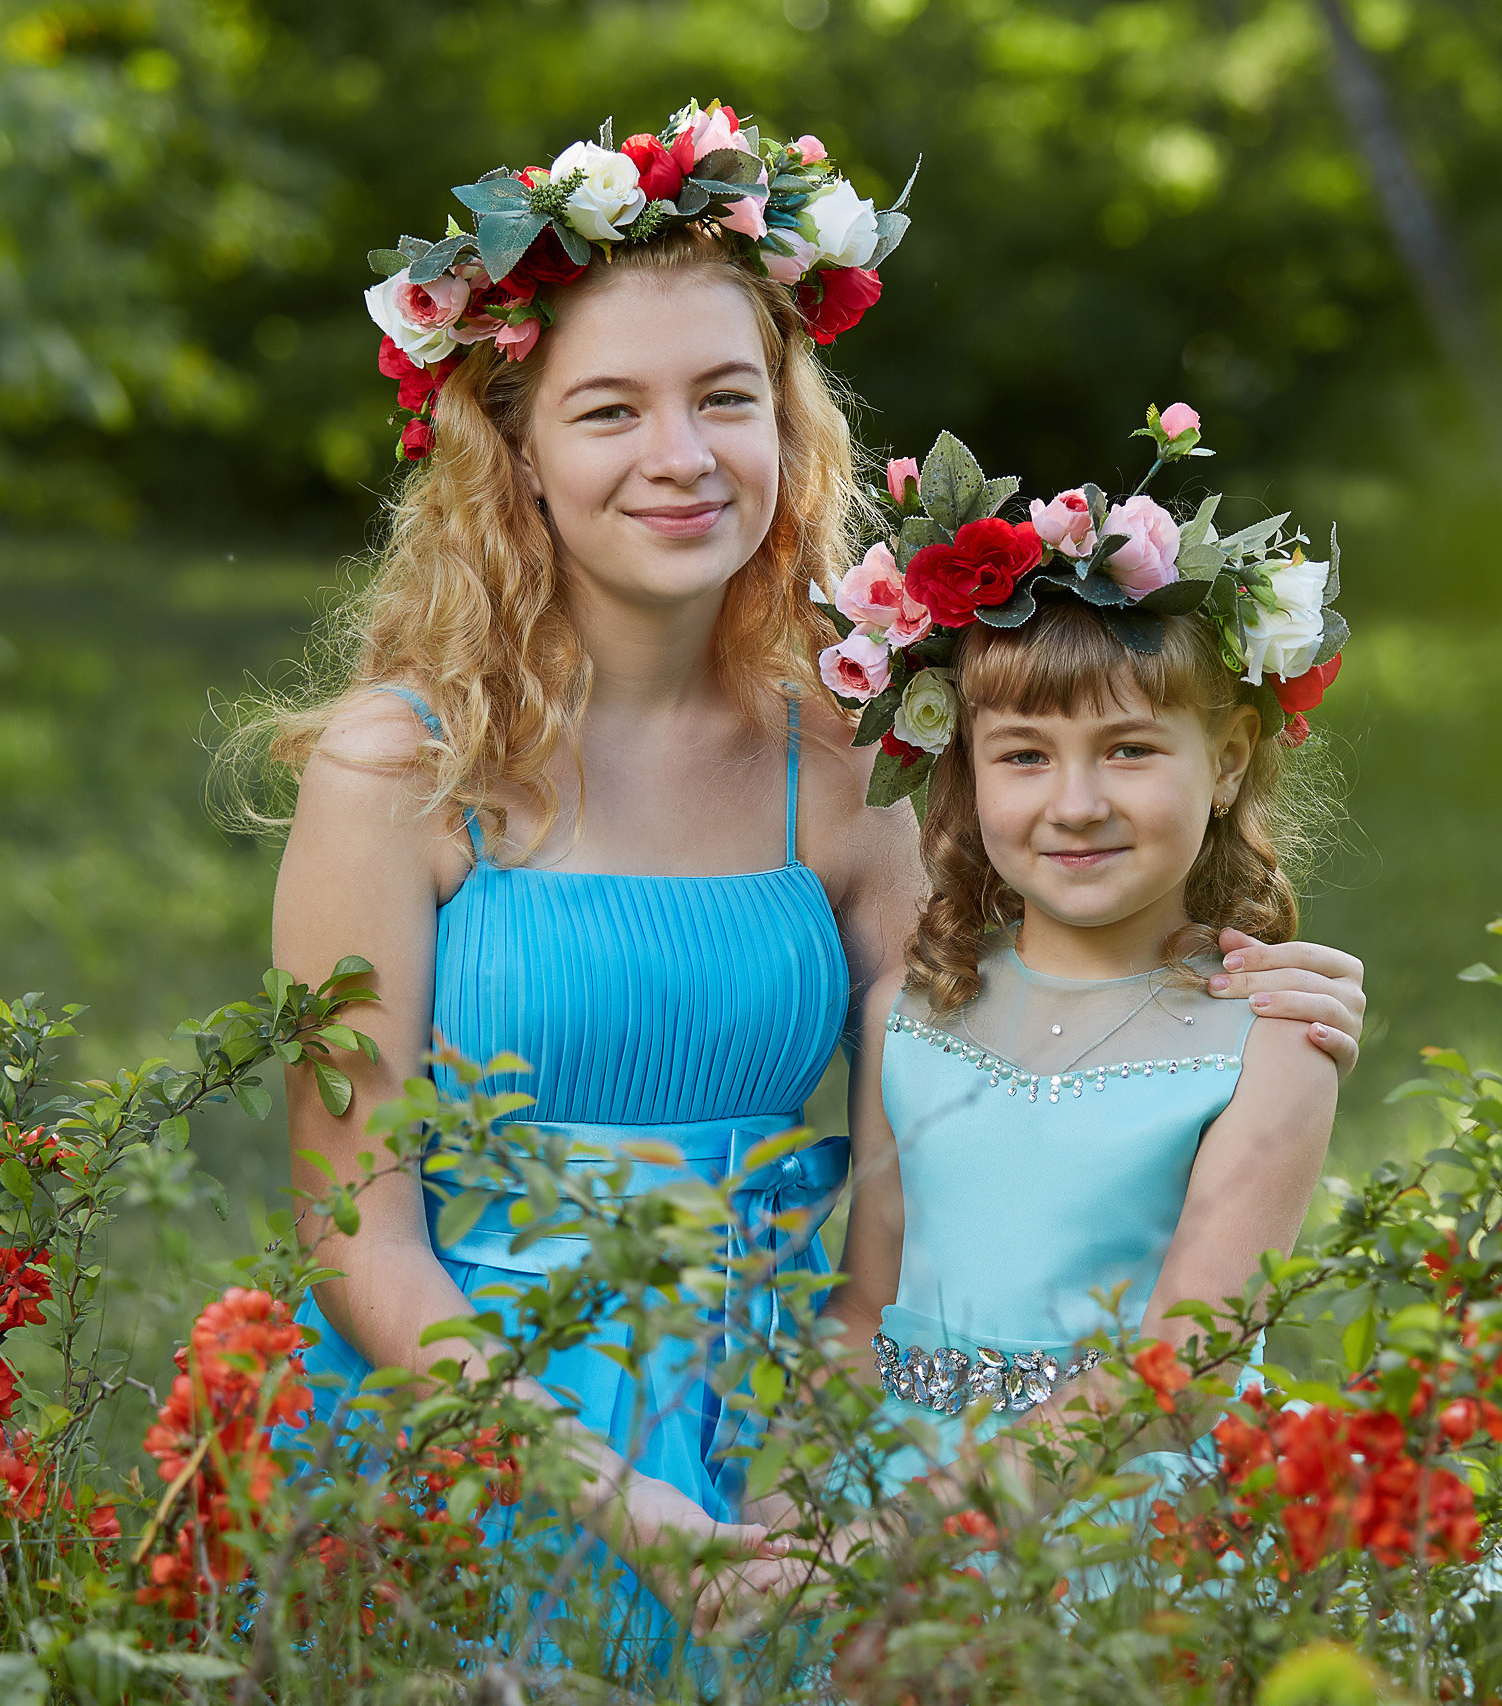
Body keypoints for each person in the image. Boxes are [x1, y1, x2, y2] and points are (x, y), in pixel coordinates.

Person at [244, 105, 1370, 1670]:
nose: (683, 456)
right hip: (488, 1424)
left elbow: (961, 1094)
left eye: (726, 397)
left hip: (785, 1429)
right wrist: (627, 1508)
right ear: (513, 452)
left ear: (791, 424)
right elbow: (349, 1226)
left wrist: (1233, 987)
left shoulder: (845, 761)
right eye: (609, 411)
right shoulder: (397, 772)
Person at [797, 422, 1347, 1549]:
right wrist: (812, 1505)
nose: (1077, 801)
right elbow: (862, 1303)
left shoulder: (1268, 1040)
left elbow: (1174, 1373)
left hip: (1129, 1511)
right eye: (1025, 754)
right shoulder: (910, 1007)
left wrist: (918, 1530)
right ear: (962, 766)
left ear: (1229, 757)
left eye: (1131, 750)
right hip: (886, 1492)